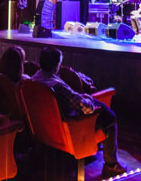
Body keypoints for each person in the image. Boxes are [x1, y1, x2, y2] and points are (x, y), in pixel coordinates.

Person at [32, 47, 126, 178]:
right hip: (70, 130)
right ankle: (111, 165)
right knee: (110, 117)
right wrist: (88, 99)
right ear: (56, 66)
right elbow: (84, 107)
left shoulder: (33, 80)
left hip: (45, 129)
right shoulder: (56, 86)